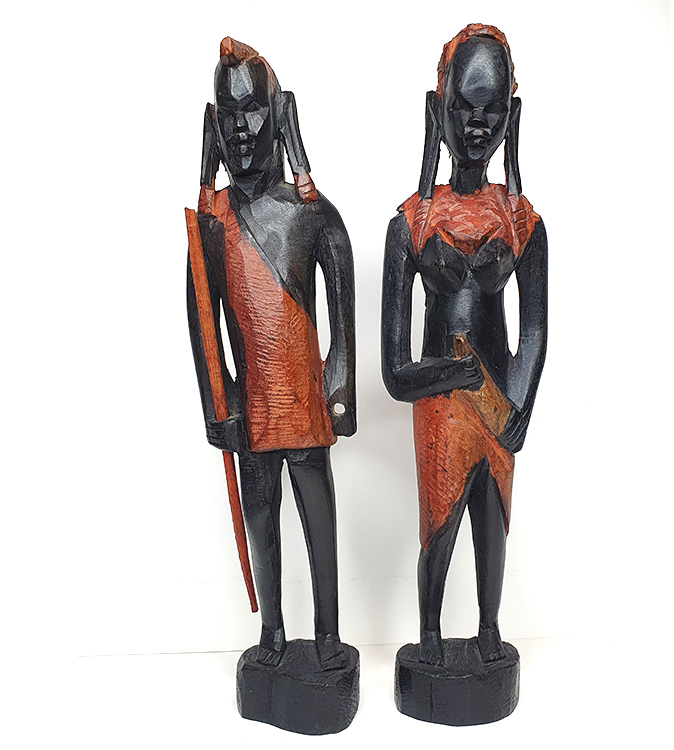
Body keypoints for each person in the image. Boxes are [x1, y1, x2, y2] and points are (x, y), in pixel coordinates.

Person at [381, 24, 547, 665]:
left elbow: (534, 329)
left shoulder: (523, 222)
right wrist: (454, 377)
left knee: (493, 520)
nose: (477, 125)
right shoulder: (411, 225)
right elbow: (396, 371)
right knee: (440, 523)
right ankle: (428, 637)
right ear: (437, 109)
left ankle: (488, 631)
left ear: (512, 116)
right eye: (463, 108)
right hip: (442, 405)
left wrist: (518, 403)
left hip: (500, 402)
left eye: (493, 110)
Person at [188, 37, 356, 670]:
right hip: (252, 409)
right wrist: (218, 401)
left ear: (281, 113)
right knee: (263, 520)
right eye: (228, 117)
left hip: (304, 404)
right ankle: (274, 631)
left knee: (318, 519)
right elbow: (200, 322)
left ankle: (329, 632)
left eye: (254, 111)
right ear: (213, 125)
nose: (241, 130)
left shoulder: (310, 215)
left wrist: (341, 378)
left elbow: (342, 304)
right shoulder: (213, 223)